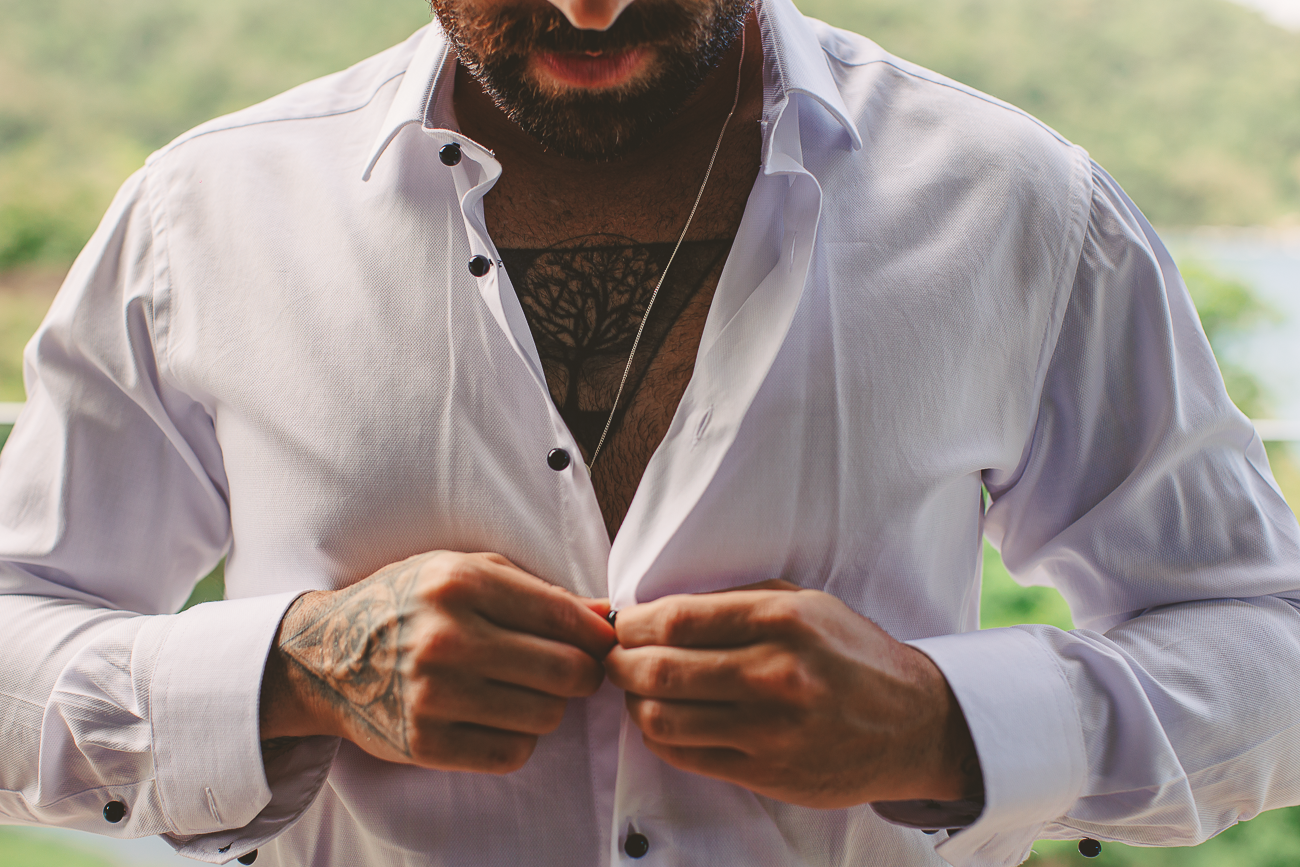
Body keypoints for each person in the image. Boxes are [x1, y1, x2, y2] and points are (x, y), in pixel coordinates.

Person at [1, 0, 1298, 863]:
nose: (589, 8)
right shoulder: (198, 216)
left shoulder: (1018, 202)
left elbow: (1267, 650)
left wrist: (943, 723)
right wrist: (293, 671)